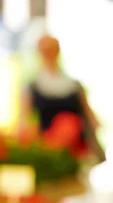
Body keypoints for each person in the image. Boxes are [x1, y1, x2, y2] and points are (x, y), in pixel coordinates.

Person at [17, 34, 105, 163]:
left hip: (78, 153)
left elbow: (92, 120)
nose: (48, 54)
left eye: (51, 49)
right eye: (44, 50)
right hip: (48, 153)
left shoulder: (74, 85)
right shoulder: (31, 87)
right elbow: (23, 122)